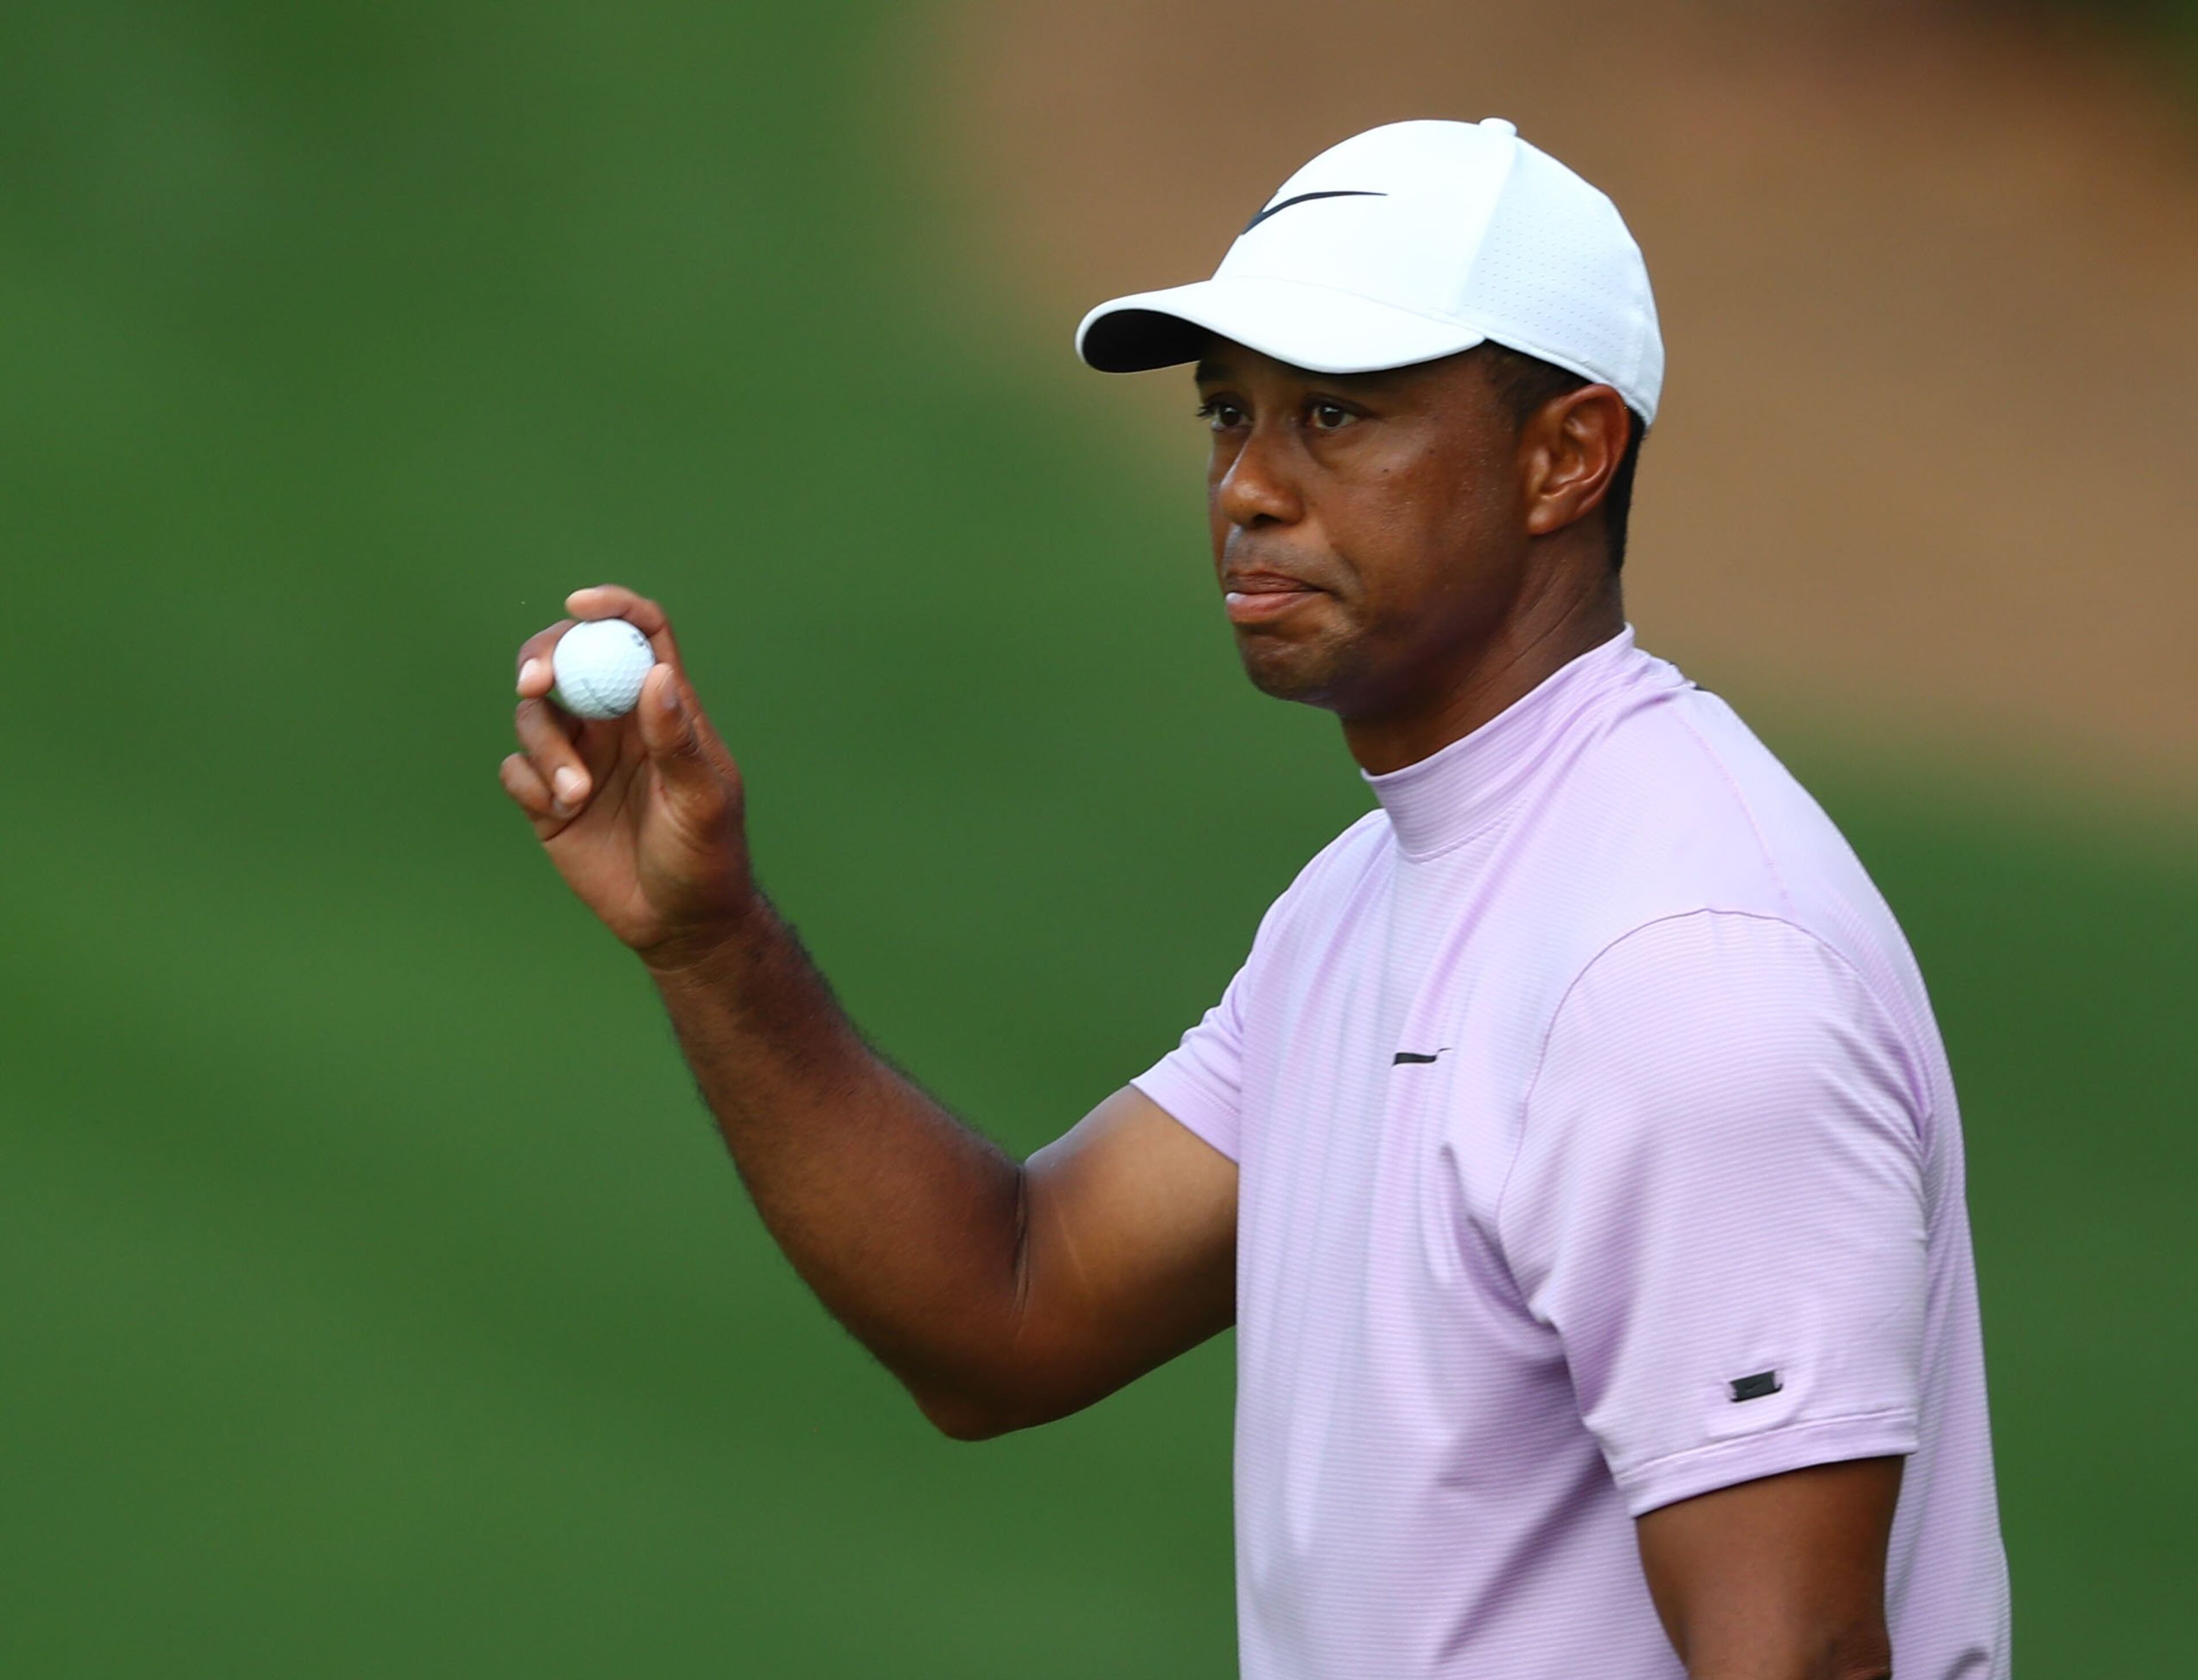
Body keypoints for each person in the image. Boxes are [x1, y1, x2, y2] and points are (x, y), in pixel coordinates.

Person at [500, 119, 2009, 1679]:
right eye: (1232, 413)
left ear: (1568, 455)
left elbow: (1803, 1658)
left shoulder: (1680, 970)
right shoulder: (1367, 902)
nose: (1247, 488)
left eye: (1337, 416)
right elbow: (1009, 1304)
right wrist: (711, 940)